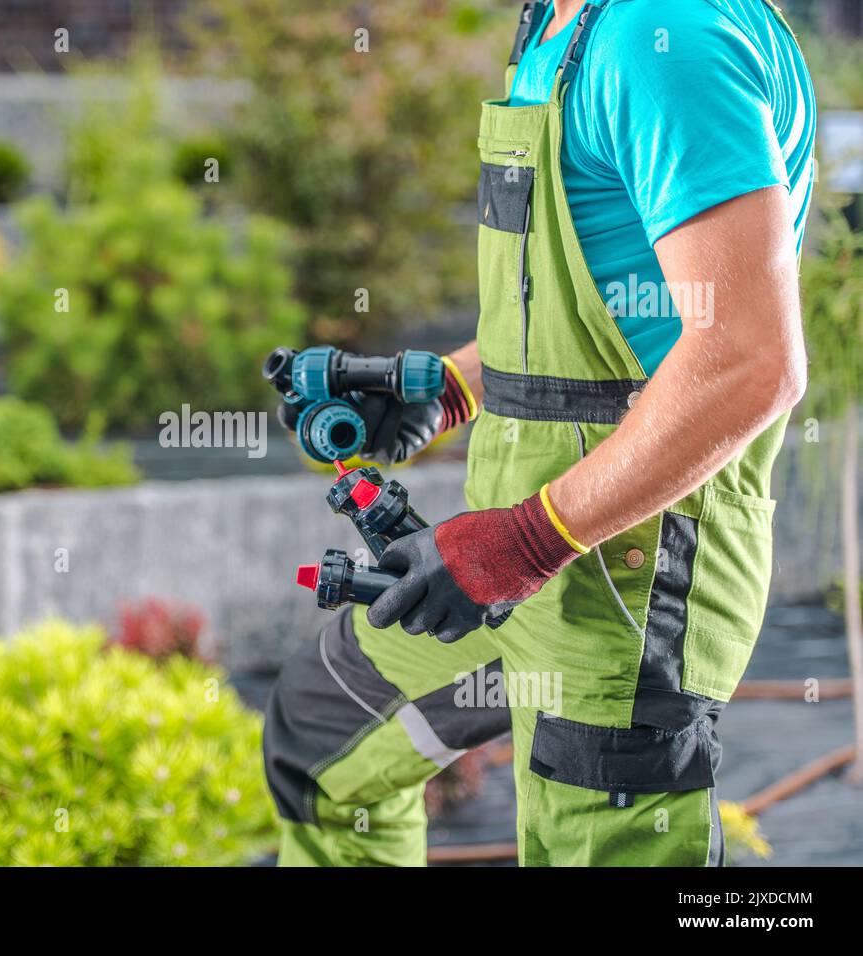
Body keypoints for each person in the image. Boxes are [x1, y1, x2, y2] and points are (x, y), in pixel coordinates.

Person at [263, 0, 816, 866]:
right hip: (508, 552)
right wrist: (445, 389)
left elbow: (750, 360)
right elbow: (619, 308)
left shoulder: (661, 37)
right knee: (320, 738)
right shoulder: (560, 27)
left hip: (625, 582)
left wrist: (520, 544)